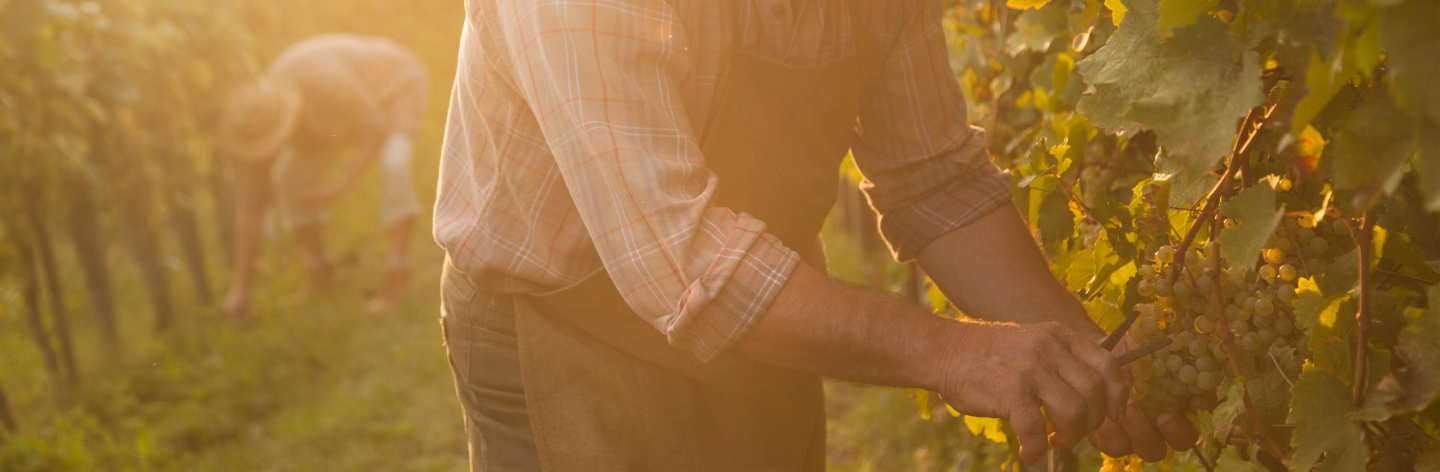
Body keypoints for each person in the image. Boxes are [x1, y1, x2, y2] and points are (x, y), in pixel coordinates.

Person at [434, 0, 1197, 470]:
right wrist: (953, 351)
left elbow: (934, 177)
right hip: (565, 331)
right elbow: (682, 260)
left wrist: (1085, 355)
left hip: (771, 314)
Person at [218, 33, 427, 318]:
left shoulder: (325, 82)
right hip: (335, 119)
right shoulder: (258, 116)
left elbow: (374, 130)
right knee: (288, 179)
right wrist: (240, 287)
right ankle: (321, 272)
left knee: (394, 163)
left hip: (395, 85)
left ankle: (398, 272)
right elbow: (249, 207)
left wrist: (341, 185)